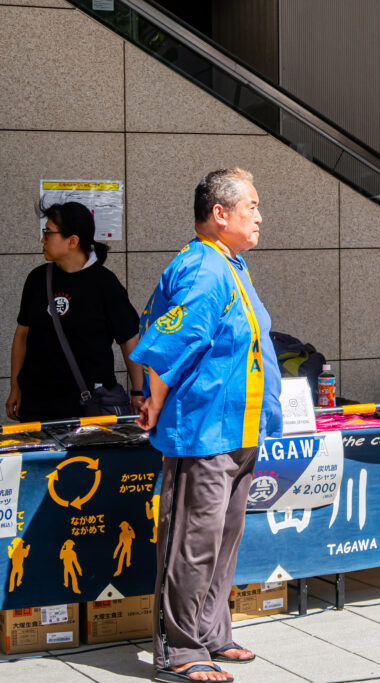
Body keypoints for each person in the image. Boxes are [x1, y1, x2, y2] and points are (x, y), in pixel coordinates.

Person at [132, 168, 282, 683]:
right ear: (220, 214)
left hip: (239, 431)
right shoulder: (203, 268)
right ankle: (181, 648)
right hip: (204, 433)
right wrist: (151, 401)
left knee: (223, 538)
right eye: (252, 206)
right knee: (193, 542)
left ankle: (212, 631)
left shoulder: (230, 264)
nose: (260, 216)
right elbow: (164, 346)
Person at [7, 202, 144, 422]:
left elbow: (128, 340)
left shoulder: (104, 283)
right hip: (37, 403)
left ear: (72, 241)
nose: (43, 239)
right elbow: (22, 335)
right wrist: (15, 386)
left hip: (86, 404)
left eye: (48, 233)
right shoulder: (37, 279)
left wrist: (138, 391)